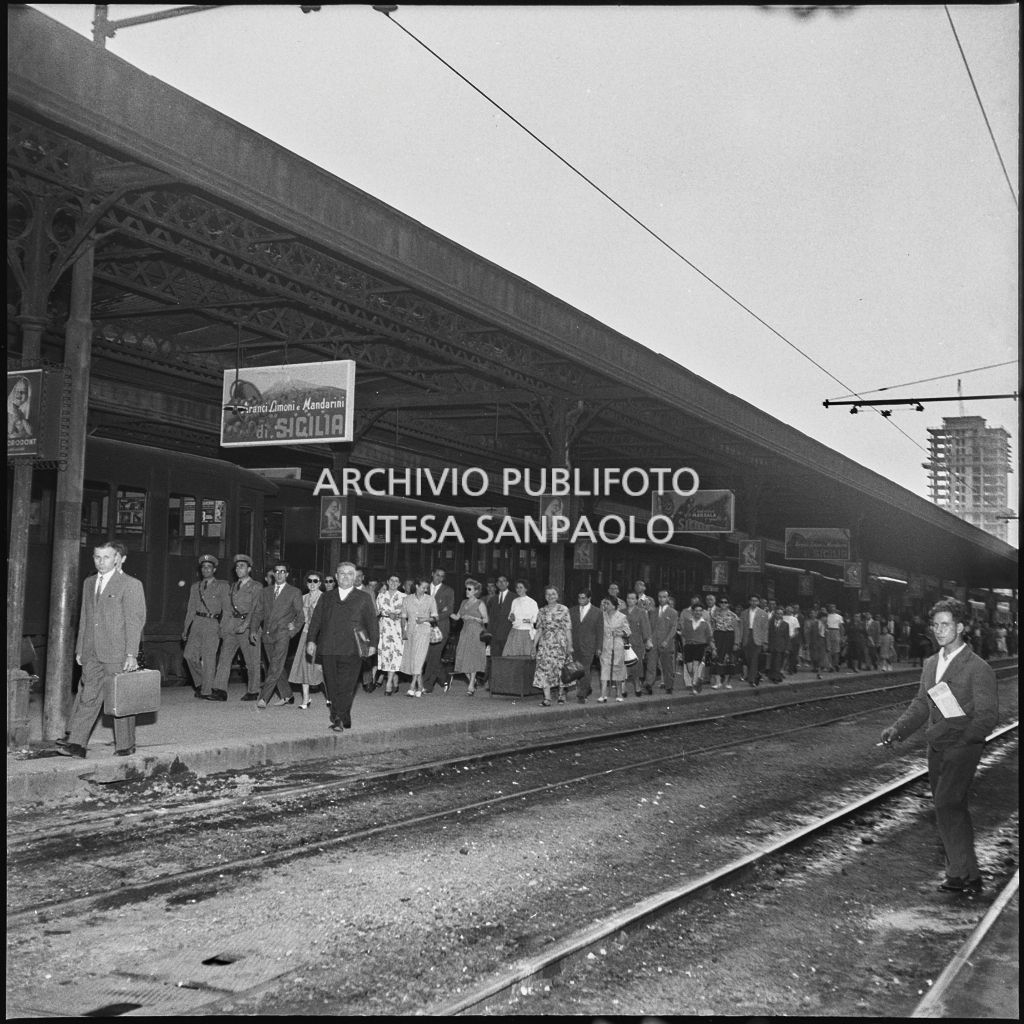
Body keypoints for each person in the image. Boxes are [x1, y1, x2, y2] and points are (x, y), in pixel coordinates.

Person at [880, 599, 999, 894]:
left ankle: (958, 874)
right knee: (950, 807)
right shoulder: (931, 664)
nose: (939, 630)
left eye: (945, 624)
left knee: (947, 803)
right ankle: (968, 874)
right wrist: (899, 729)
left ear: (960, 627)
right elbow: (922, 704)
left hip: (963, 746)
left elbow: (987, 716)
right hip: (936, 746)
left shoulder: (978, 668)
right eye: (935, 624)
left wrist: (964, 740)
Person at [58, 541, 146, 758]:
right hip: (91, 651)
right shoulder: (89, 583)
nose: (101, 562)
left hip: (117, 652)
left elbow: (135, 622)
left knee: (120, 698)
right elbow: (85, 618)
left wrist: (131, 654)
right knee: (89, 696)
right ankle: (77, 744)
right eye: (97, 557)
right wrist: (80, 648)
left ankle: (125, 744)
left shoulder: (130, 584)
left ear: (117, 558)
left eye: (106, 557)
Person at [306, 561, 379, 730]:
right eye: (342, 573)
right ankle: (344, 715)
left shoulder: (364, 597)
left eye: (349, 573)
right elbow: (316, 620)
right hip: (329, 647)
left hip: (353, 648)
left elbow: (372, 623)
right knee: (331, 685)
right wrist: (311, 640)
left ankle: (338, 717)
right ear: (337, 577)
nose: (346, 577)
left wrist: (373, 645)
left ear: (355, 577)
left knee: (347, 685)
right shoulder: (327, 597)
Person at [250, 562, 304, 708]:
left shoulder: (294, 592)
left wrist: (291, 632)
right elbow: (258, 612)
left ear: (287, 574)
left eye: (283, 572)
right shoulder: (265, 592)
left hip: (282, 634)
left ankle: (264, 697)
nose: (280, 574)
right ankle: (287, 695)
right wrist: (253, 630)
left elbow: (300, 617)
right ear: (273, 574)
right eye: (277, 572)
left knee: (274, 666)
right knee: (277, 666)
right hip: (267, 634)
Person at [213, 554, 264, 700]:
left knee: (251, 660)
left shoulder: (256, 586)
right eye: (236, 566)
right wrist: (223, 627)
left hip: (249, 626)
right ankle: (220, 690)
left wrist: (246, 625)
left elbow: (255, 608)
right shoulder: (233, 586)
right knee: (224, 657)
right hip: (232, 625)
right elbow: (227, 609)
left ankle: (253, 691)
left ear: (249, 569)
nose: (238, 569)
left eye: (241, 566)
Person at [181, 553, 229, 700]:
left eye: (209, 567)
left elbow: (227, 609)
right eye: (204, 567)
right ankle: (203, 683)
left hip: (212, 623)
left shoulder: (222, 586)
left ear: (214, 570)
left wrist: (222, 627)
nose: (206, 569)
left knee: (209, 658)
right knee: (189, 656)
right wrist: (185, 629)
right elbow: (190, 610)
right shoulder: (195, 587)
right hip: (197, 622)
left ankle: (207, 691)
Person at [288, 571, 325, 709]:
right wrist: (292, 623)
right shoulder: (303, 598)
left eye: (315, 581)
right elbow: (297, 617)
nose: (312, 584)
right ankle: (305, 698)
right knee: (303, 665)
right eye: (310, 581)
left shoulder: (325, 598)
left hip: (321, 636)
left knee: (322, 666)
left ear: (320, 583)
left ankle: (330, 696)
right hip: (305, 634)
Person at [532, 585, 573, 706]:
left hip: (560, 643)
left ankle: (561, 695)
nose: (551, 596)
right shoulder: (541, 611)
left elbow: (568, 629)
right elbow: (539, 630)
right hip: (545, 644)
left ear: (558, 596)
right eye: (548, 594)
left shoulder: (564, 609)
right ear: (545, 597)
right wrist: (533, 646)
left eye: (553, 594)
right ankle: (547, 698)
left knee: (561, 669)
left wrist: (570, 645)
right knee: (544, 669)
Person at [399, 576, 437, 698]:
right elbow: (403, 617)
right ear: (416, 586)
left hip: (424, 631)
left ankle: (412, 686)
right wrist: (403, 630)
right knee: (413, 658)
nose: (425, 590)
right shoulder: (407, 599)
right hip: (410, 631)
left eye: (426, 588)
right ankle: (420, 687)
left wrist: (425, 618)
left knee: (419, 657)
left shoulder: (430, 600)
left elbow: (436, 617)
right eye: (423, 587)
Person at [452, 579, 489, 695]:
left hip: (476, 631)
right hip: (465, 632)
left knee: (472, 657)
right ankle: (473, 681)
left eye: (469, 589)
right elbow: (457, 617)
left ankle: (471, 685)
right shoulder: (463, 602)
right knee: (462, 657)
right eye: (466, 589)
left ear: (476, 591)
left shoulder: (480, 603)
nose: (467, 591)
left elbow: (486, 619)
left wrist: (474, 618)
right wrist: (446, 612)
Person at [421, 568, 455, 693]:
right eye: (437, 575)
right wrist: (440, 610)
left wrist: (432, 615)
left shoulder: (448, 591)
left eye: (442, 576)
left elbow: (449, 610)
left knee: (434, 656)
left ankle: (427, 685)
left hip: (440, 628)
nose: (439, 578)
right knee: (426, 656)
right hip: (424, 627)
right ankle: (444, 678)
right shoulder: (424, 587)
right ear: (432, 574)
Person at [569, 588, 602, 703]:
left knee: (585, 669)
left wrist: (599, 647)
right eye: (579, 597)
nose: (580, 600)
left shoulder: (597, 612)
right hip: (575, 644)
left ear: (589, 598)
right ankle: (585, 688)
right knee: (576, 669)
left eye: (583, 598)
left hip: (589, 646)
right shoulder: (572, 611)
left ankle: (582, 694)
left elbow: (599, 631)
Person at [375, 574, 405, 695]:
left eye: (396, 581)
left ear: (399, 584)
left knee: (396, 653)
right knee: (386, 654)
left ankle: (388, 684)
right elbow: (377, 611)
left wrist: (397, 615)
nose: (393, 583)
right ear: (387, 582)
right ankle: (394, 679)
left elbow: (407, 613)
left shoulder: (404, 596)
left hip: (398, 627)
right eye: (391, 580)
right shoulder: (381, 595)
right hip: (385, 627)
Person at [598, 596, 631, 702]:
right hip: (605, 644)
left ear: (613, 605)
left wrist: (619, 633)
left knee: (618, 667)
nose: (605, 606)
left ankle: (619, 693)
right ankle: (603, 694)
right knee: (604, 667)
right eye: (604, 604)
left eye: (607, 603)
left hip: (617, 645)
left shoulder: (622, 616)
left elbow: (628, 631)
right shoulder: (601, 616)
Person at [485, 574, 515, 683]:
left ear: (507, 583)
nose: (501, 583)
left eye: (504, 581)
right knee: (494, 659)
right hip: (495, 635)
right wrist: (489, 633)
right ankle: (494, 683)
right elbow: (491, 618)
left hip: (508, 634)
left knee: (507, 659)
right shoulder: (493, 600)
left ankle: (506, 683)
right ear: (496, 585)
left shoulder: (514, 598)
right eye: (499, 581)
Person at [649, 589, 679, 694]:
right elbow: (650, 627)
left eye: (664, 597)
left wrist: (666, 641)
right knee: (651, 665)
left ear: (668, 598)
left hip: (667, 643)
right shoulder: (653, 612)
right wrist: (650, 640)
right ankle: (648, 685)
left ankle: (669, 686)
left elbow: (673, 628)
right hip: (654, 642)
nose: (661, 599)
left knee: (667, 666)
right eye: (660, 597)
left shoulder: (673, 612)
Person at [624, 591, 652, 699]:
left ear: (636, 600)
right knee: (624, 666)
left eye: (632, 598)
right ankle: (623, 687)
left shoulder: (641, 612)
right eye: (628, 598)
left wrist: (648, 640)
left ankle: (637, 684)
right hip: (624, 642)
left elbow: (646, 628)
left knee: (636, 665)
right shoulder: (622, 612)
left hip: (637, 642)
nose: (630, 600)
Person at [679, 600, 712, 692]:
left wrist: (712, 647)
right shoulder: (687, 622)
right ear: (693, 612)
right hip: (689, 646)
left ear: (702, 612)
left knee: (696, 665)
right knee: (689, 668)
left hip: (700, 646)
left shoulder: (705, 624)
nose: (698, 612)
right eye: (696, 610)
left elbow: (709, 636)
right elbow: (684, 634)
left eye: (700, 610)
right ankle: (698, 679)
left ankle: (695, 685)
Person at [708, 596, 738, 689]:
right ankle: (718, 682)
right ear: (719, 604)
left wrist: (736, 643)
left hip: (729, 638)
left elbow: (737, 630)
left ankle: (727, 682)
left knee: (729, 660)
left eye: (725, 602)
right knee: (717, 658)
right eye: (722, 602)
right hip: (718, 638)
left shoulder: (733, 616)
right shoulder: (714, 616)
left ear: (728, 604)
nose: (723, 604)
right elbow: (712, 630)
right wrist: (712, 642)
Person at [739, 595, 770, 687]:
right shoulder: (744, 613)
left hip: (757, 638)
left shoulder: (763, 613)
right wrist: (739, 640)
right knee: (748, 658)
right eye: (752, 601)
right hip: (747, 637)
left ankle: (752, 679)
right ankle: (755, 674)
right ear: (749, 602)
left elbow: (765, 629)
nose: (754, 602)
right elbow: (741, 627)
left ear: (758, 602)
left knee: (754, 658)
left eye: (756, 601)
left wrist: (765, 641)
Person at [503, 580, 539, 656]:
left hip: (526, 632)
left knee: (526, 655)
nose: (518, 589)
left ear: (526, 589)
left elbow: (536, 618)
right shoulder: (515, 601)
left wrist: (528, 620)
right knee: (512, 655)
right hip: (515, 631)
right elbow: (510, 616)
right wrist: (511, 618)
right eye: (517, 587)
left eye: (521, 587)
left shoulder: (532, 602)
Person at [766, 606, 789, 683]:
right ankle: (773, 676)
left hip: (781, 646)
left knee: (778, 662)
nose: (779, 615)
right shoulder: (770, 623)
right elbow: (768, 634)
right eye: (777, 613)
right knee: (772, 662)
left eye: (781, 614)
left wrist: (787, 648)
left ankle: (776, 677)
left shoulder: (785, 624)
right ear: (775, 614)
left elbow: (787, 637)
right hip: (772, 645)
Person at [825, 605, 844, 672]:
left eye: (833, 607)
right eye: (830, 607)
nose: (832, 608)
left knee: (836, 650)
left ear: (835, 608)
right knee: (828, 649)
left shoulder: (839, 617)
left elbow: (841, 627)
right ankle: (830, 665)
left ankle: (835, 664)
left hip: (836, 631)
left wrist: (842, 637)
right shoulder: (826, 616)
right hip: (828, 631)